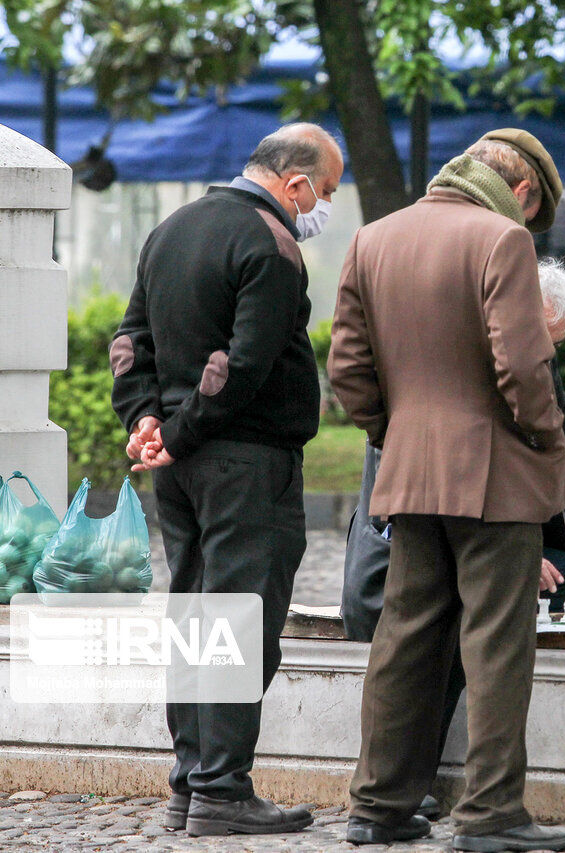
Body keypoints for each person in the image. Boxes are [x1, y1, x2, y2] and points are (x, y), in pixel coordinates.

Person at [328, 128, 565, 850]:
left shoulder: (373, 238)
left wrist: (394, 431)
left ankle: (376, 806)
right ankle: (491, 814)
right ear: (523, 190)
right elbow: (524, 369)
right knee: (497, 642)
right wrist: (543, 440)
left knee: (404, 636)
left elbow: (346, 367)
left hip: (409, 471)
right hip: (495, 475)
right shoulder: (502, 241)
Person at [341, 259, 565, 819]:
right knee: (445, 634)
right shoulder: (443, 364)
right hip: (407, 550)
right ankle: (417, 801)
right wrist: (507, 546)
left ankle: (400, 802)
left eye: (552, 344)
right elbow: (440, 481)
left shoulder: (533, 362)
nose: (546, 355)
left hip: (503, 546)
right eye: (541, 338)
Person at [110, 123, 344, 836]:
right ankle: (222, 788)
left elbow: (130, 342)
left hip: (180, 471)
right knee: (242, 619)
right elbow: (245, 364)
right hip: (247, 462)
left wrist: (146, 421)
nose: (324, 207)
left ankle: (191, 781)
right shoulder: (270, 245)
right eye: (327, 191)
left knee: (194, 616)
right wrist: (174, 435)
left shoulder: (172, 229)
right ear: (295, 182)